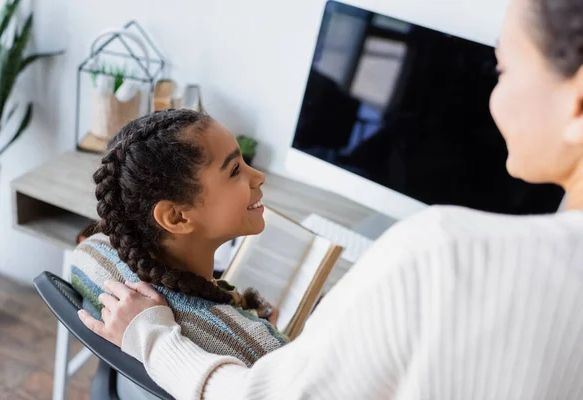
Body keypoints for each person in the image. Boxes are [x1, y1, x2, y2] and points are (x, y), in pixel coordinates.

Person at [79, 0, 583, 398]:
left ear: (576, 103)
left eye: (504, 69)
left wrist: (157, 340)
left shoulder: (440, 254)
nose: (493, 98)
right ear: (175, 215)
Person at [74, 109, 288, 371]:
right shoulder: (265, 354)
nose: (259, 176)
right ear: (176, 217)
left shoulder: (89, 252)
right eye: (234, 170)